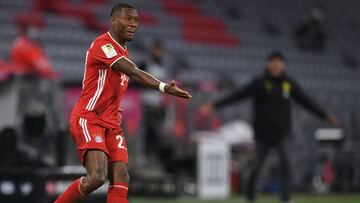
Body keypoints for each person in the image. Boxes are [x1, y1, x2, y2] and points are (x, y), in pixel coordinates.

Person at [54, 3, 191, 203]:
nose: (133, 24)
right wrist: (163, 87)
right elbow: (133, 72)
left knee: (121, 175)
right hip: (90, 118)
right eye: (128, 19)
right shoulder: (103, 45)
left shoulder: (123, 52)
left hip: (112, 124)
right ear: (114, 20)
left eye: (136, 20)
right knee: (97, 176)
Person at [200, 52, 338, 203]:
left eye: (279, 62)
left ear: (283, 65)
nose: (276, 65)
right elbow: (237, 95)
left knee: (286, 164)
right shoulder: (259, 83)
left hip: (283, 134)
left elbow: (307, 101)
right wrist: (214, 105)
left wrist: (325, 115)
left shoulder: (289, 84)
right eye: (273, 62)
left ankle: (286, 199)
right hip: (263, 134)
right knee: (256, 167)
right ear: (268, 64)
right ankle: (250, 198)